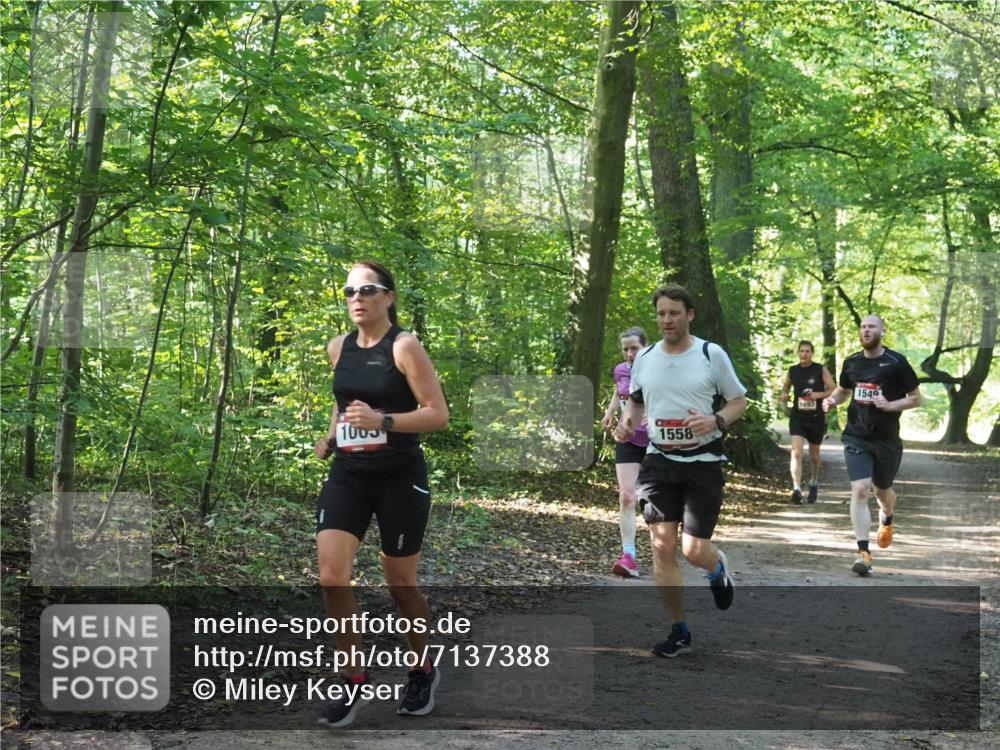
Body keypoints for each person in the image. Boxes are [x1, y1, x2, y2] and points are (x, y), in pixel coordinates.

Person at [313, 260, 449, 726]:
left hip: (400, 477)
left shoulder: (405, 346)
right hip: (349, 474)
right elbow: (344, 405)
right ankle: (354, 678)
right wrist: (332, 434)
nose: (356, 298)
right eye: (349, 290)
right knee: (332, 577)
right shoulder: (338, 347)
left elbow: (437, 414)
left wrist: (385, 422)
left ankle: (423, 667)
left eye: (367, 290)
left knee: (400, 584)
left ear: (388, 297)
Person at [614, 284, 747, 658]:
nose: (667, 320)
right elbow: (636, 404)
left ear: (689, 315)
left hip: (703, 463)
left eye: (674, 313)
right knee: (661, 547)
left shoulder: (710, 354)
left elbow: (739, 401)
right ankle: (679, 630)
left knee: (692, 550)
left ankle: (717, 568)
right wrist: (627, 425)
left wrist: (716, 420)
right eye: (661, 314)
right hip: (659, 461)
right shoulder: (646, 358)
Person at [822, 314, 921, 577]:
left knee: (883, 492)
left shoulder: (896, 362)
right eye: (863, 327)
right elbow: (843, 391)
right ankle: (863, 553)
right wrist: (832, 401)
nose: (866, 330)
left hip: (887, 440)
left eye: (871, 327)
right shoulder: (852, 362)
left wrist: (891, 405)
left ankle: (887, 517)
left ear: (882, 331)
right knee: (861, 489)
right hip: (856, 436)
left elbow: (915, 398)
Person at [601, 327, 650, 577]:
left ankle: (666, 552)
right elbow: (618, 390)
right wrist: (610, 412)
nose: (630, 354)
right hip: (627, 438)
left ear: (645, 347)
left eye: (635, 348)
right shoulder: (620, 369)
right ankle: (629, 555)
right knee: (627, 496)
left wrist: (655, 416)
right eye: (626, 349)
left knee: (655, 503)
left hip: (656, 441)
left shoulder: (657, 368)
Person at [778, 340, 835, 504]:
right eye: (801, 351)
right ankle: (796, 488)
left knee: (814, 456)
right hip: (798, 416)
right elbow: (785, 388)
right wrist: (784, 395)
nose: (804, 354)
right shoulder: (793, 371)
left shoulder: (820, 369)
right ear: (798, 353)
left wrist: (818, 395)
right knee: (796, 452)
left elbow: (833, 389)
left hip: (816, 417)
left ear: (812, 353)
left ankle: (814, 481)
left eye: (807, 351)